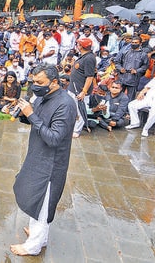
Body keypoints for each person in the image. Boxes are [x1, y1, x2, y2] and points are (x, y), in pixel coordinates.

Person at [11, 63, 77, 256]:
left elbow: (54, 138)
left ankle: (33, 246)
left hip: (51, 163)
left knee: (43, 201)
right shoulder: (42, 96)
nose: (35, 86)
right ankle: (40, 234)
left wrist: (31, 114)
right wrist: (25, 114)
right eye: (33, 82)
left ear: (54, 82)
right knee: (34, 196)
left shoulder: (65, 104)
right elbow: (36, 119)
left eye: (40, 82)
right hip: (37, 155)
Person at [68, 37, 96, 138]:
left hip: (80, 90)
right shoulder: (83, 56)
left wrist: (83, 92)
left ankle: (77, 130)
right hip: (73, 88)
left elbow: (89, 77)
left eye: (78, 44)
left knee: (80, 110)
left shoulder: (89, 58)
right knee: (73, 109)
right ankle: (72, 126)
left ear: (81, 46)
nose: (77, 46)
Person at [114, 36, 149, 100]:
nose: (134, 44)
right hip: (122, 77)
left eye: (136, 42)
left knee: (130, 99)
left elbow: (145, 66)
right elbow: (117, 62)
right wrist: (120, 68)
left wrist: (137, 71)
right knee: (117, 96)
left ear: (140, 43)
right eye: (132, 42)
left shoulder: (143, 54)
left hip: (133, 79)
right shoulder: (125, 52)